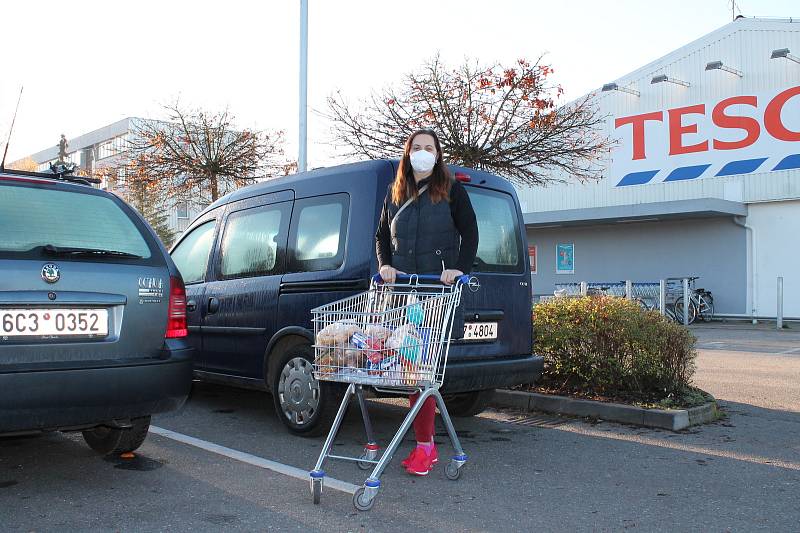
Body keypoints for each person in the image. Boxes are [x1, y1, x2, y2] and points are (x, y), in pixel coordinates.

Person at [375, 129, 478, 476]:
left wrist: (458, 269)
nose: (422, 152)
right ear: (408, 153)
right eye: (416, 147)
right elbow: (381, 237)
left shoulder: (451, 189)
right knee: (411, 370)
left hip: (436, 293)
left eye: (428, 148)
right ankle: (427, 444)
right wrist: (385, 265)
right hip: (404, 293)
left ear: (437, 154)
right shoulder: (395, 192)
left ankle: (425, 447)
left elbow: (471, 232)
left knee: (420, 372)